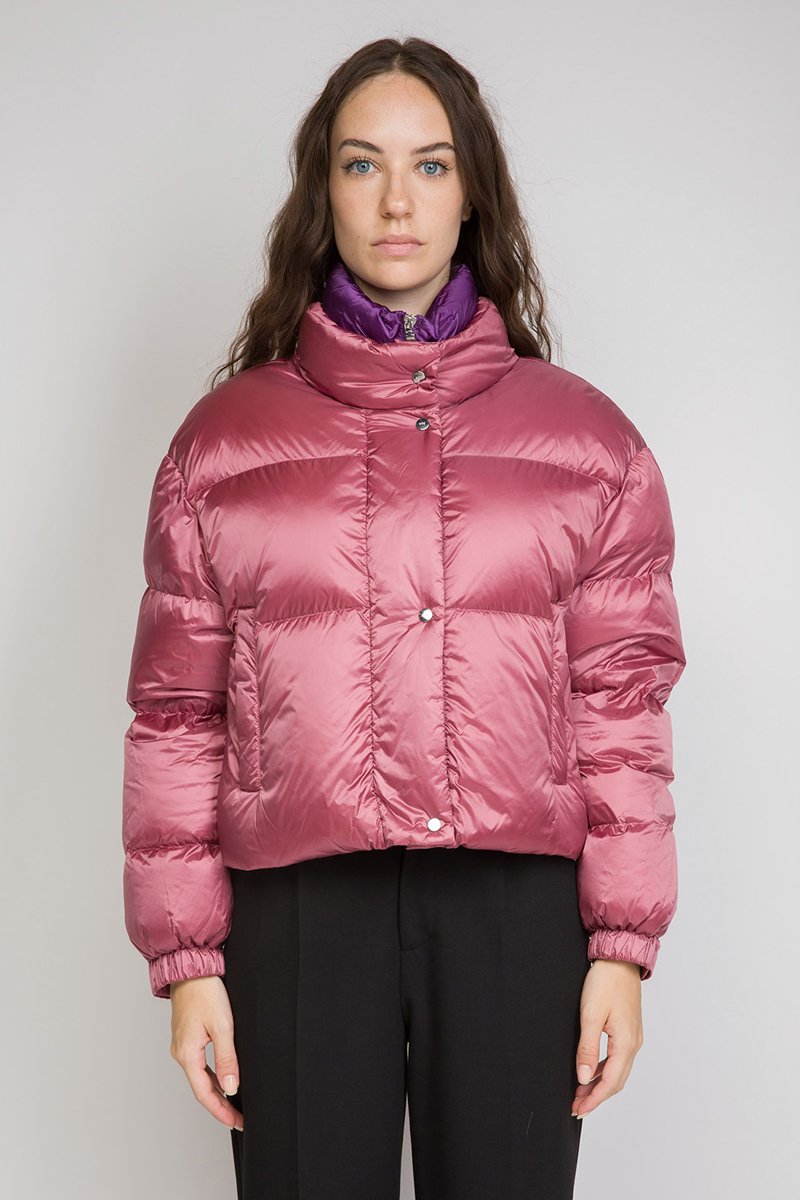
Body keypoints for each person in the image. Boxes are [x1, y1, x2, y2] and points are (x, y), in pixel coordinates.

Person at [121, 36, 687, 1200]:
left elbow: (619, 705)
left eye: (429, 165)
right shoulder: (221, 448)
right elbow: (175, 716)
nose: (395, 201)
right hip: (296, 915)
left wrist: (621, 948)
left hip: (513, 911)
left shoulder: (587, 445)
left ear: (470, 191)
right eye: (360, 163)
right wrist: (187, 960)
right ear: (320, 189)